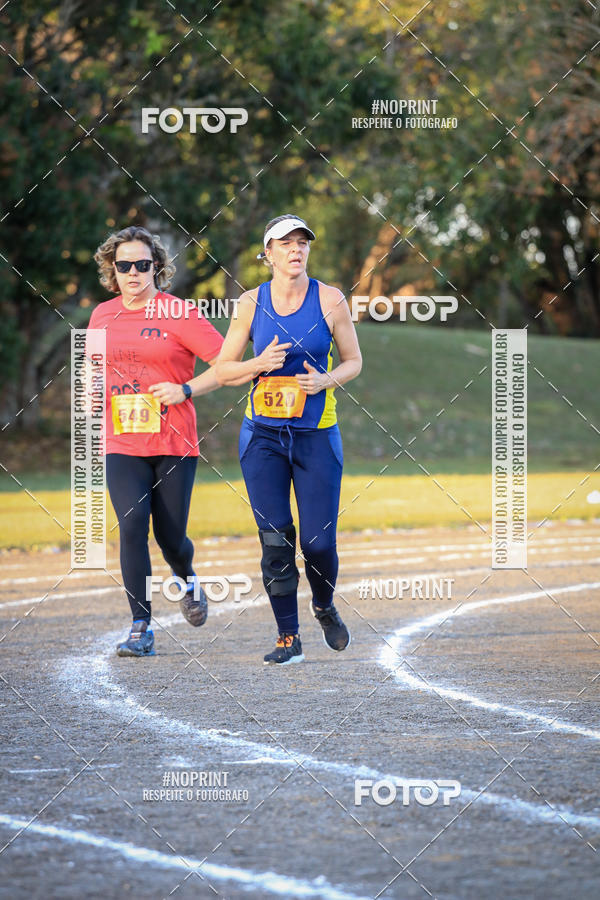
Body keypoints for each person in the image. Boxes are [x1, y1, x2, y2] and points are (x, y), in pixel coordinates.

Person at [215, 214, 362, 664]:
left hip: (316, 436)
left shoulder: (330, 299)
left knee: (318, 543)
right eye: (285, 243)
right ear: (268, 253)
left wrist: (326, 381)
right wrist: (258, 364)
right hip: (263, 438)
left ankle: (323, 604)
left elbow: (354, 361)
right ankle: (287, 637)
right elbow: (223, 370)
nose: (296, 249)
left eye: (302, 242)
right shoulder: (249, 303)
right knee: (275, 539)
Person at [89, 225, 224, 657]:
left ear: (156, 267)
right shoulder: (101, 315)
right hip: (122, 442)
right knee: (132, 526)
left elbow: (226, 363)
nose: (133, 272)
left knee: (170, 538)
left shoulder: (179, 313)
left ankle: (187, 577)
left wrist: (185, 390)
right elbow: (94, 371)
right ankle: (140, 626)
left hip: (173, 442)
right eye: (124, 265)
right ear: (112, 269)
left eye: (142, 264)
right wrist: (93, 399)